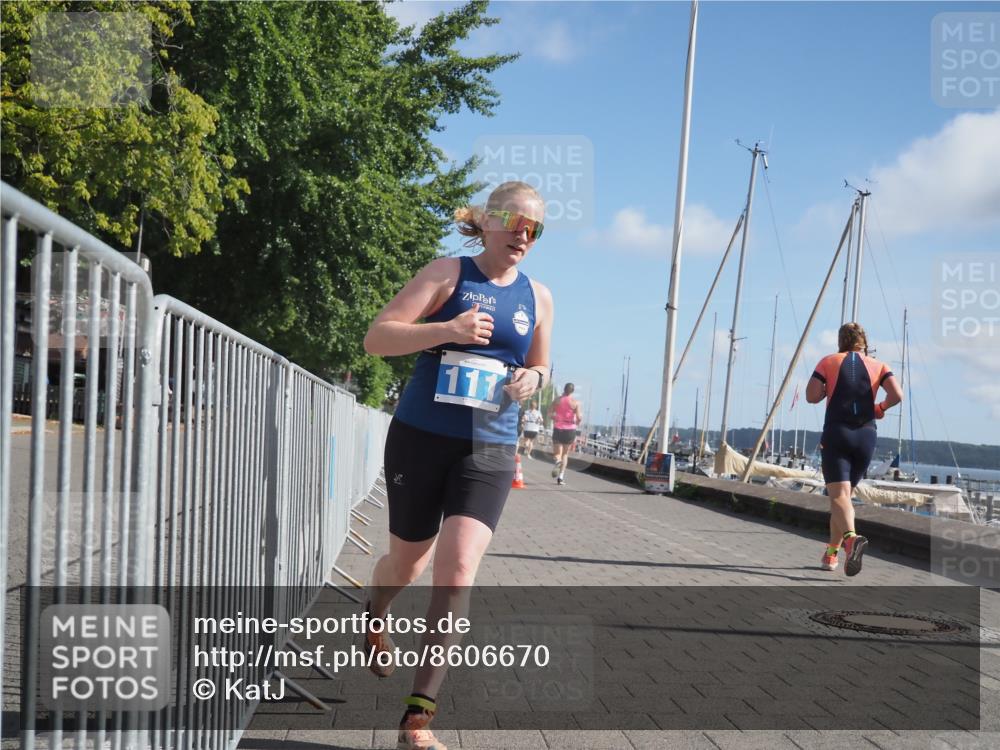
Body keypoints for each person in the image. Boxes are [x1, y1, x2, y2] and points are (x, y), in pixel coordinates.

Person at [362, 181, 553, 750]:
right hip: (421, 437)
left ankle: (417, 717)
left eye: (535, 229)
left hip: (491, 446)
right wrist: (448, 329)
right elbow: (377, 338)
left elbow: (542, 365)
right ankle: (376, 604)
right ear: (490, 221)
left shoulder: (539, 296)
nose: (524, 235)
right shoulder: (448, 273)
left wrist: (531, 380)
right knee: (408, 561)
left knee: (459, 567)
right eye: (517, 223)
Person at [806, 322, 902, 576]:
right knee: (843, 498)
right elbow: (897, 396)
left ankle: (851, 540)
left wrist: (827, 389)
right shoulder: (880, 366)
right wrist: (879, 409)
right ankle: (830, 554)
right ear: (864, 343)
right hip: (866, 437)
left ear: (841, 341)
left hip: (838, 433)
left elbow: (811, 396)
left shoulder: (829, 361)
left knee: (838, 496)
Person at [548, 383, 582, 485]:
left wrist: (554, 417)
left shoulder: (557, 400)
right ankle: (561, 477)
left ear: (564, 389)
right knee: (565, 454)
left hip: (558, 428)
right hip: (570, 430)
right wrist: (577, 423)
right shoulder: (575, 402)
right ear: (572, 391)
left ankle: (557, 462)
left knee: (557, 454)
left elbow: (549, 413)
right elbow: (579, 418)